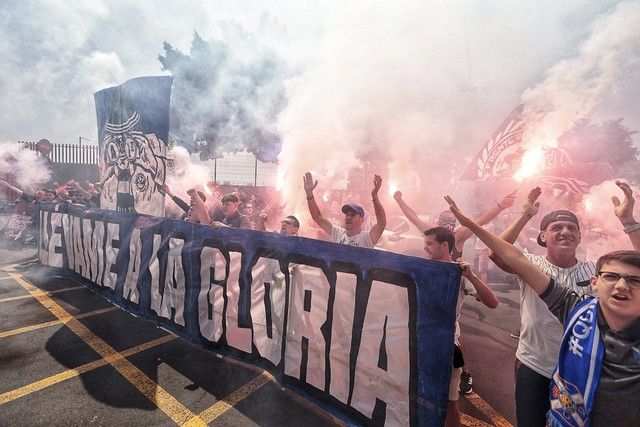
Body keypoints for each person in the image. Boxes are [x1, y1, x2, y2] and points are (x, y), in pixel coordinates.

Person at [445, 193, 640, 426]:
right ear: (542, 236)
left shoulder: (595, 273)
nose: (565, 231)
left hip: (581, 370)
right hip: (535, 364)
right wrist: (524, 214)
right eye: (556, 227)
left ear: (579, 237)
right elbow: (498, 254)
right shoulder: (534, 266)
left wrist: (629, 223)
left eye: (571, 228)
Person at [423, 226, 499, 427]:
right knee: (420, 396)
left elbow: (492, 302)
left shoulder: (459, 274)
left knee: (450, 403)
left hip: (446, 348)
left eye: (429, 244)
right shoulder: (422, 268)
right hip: (421, 343)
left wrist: (472, 276)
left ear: (445, 245)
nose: (425, 248)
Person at [393, 189, 516, 259]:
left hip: (452, 284)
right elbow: (413, 217)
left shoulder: (458, 236)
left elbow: (481, 221)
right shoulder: (433, 234)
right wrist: (399, 200)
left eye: (451, 220)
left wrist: (501, 206)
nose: (448, 224)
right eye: (445, 220)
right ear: (439, 222)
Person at [303, 172, 386, 248]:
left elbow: (381, 223)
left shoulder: (366, 238)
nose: (348, 217)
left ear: (362, 219)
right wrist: (309, 194)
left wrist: (374, 196)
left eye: (353, 215)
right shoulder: (338, 233)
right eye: (347, 214)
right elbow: (316, 217)